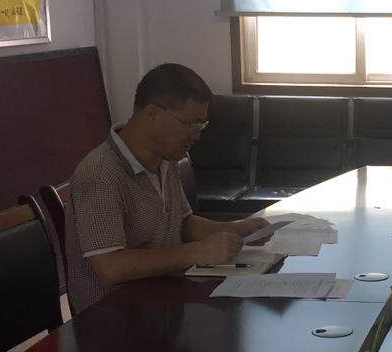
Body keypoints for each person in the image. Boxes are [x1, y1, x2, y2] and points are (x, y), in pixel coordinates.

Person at [65, 63, 270, 315]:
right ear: (152, 114)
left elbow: (182, 223)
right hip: (111, 317)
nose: (197, 136)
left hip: (162, 301)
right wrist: (198, 251)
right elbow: (110, 267)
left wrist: (233, 228)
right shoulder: (100, 173)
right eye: (191, 124)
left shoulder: (165, 158)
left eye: (202, 126)